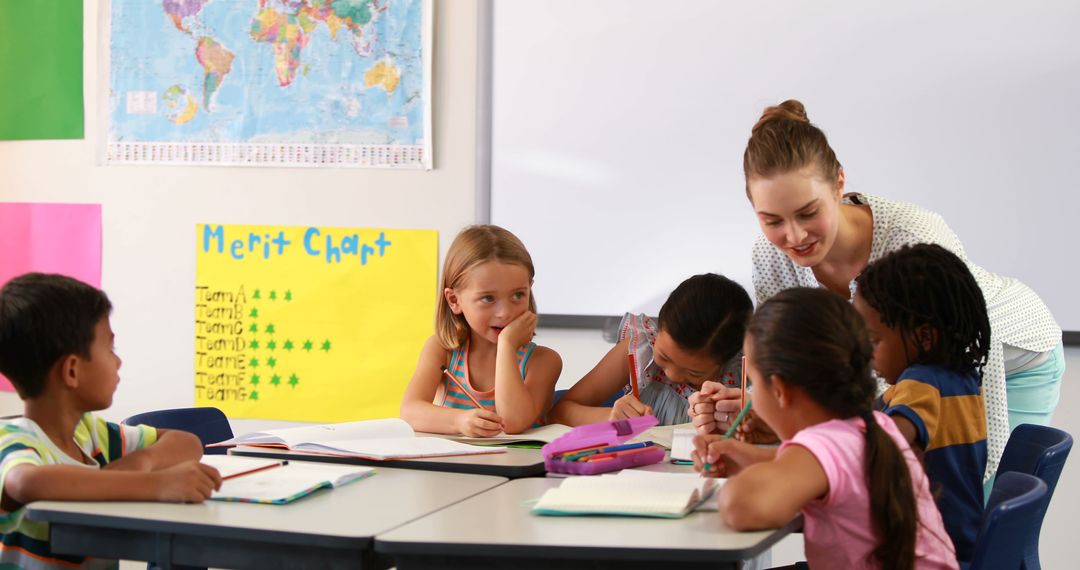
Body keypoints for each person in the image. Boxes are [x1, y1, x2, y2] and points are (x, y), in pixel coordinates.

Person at [702, 99, 1063, 481]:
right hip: (908, 387)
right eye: (772, 220)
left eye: (809, 213)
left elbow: (973, 377)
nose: (794, 236)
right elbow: (796, 367)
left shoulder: (914, 240)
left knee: (963, 506)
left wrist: (975, 488)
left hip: (1003, 358)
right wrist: (767, 411)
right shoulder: (769, 257)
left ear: (839, 183)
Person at [693, 288, 958, 570]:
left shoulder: (823, 444)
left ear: (780, 390)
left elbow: (741, 508)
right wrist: (746, 458)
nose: (752, 394)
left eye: (754, 383)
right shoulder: (874, 426)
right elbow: (831, 470)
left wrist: (745, 478)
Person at [0, 273, 222, 569]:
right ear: (72, 372)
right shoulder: (16, 439)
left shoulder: (90, 434)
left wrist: (141, 462)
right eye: (110, 348)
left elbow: (186, 441)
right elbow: (25, 481)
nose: (118, 361)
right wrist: (157, 485)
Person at [853, 244, 989, 563]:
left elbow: (887, 438)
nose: (866, 352)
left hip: (924, 555)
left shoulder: (921, 381)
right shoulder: (960, 379)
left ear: (924, 337)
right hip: (961, 548)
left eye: (873, 341)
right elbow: (863, 416)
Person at [401, 225, 562, 436]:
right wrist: (459, 421)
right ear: (454, 300)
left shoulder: (543, 361)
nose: (505, 313)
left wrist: (507, 345)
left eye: (518, 295)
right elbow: (410, 411)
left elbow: (513, 423)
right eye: (488, 298)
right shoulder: (442, 350)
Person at [550, 273, 751, 426]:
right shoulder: (638, 352)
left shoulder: (745, 372)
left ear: (728, 358)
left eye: (693, 373)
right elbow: (560, 411)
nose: (672, 374)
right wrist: (610, 416)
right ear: (660, 326)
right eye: (664, 356)